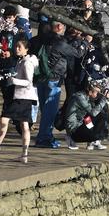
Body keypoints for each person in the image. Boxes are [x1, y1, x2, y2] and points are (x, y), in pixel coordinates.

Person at [34, 20, 85, 148]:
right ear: (58, 27)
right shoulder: (59, 42)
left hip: (40, 78)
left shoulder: (41, 39)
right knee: (49, 110)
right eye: (64, 26)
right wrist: (85, 42)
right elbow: (78, 53)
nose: (65, 28)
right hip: (54, 79)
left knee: (44, 109)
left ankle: (45, 136)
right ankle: (44, 138)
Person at [0, 38, 39, 164]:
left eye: (20, 47)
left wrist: (13, 80)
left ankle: (0, 147)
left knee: (10, 121)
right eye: (16, 46)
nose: (17, 49)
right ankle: (21, 154)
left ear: (26, 49)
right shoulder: (20, 60)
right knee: (22, 125)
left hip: (23, 97)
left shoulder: (27, 62)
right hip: (20, 96)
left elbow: (28, 81)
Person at [64, 82, 109, 150]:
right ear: (90, 92)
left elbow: (92, 113)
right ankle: (71, 138)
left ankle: (93, 141)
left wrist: (102, 98)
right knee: (97, 113)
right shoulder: (80, 98)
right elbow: (93, 113)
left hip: (81, 123)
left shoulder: (87, 96)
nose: (98, 94)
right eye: (97, 92)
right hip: (74, 129)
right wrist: (103, 99)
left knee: (102, 113)